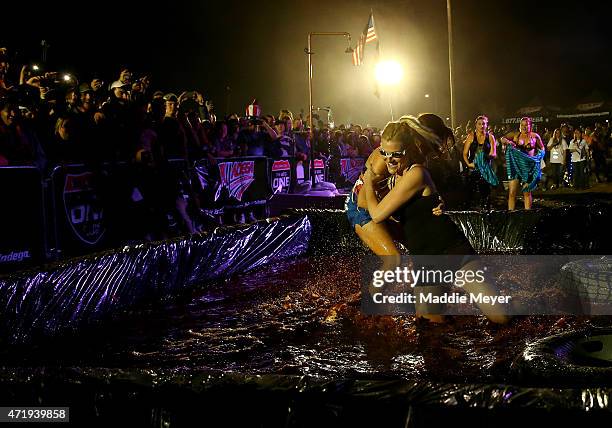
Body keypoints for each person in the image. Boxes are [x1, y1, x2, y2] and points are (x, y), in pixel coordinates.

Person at [362, 115, 509, 324]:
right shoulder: (396, 177)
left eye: (396, 154)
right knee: (430, 331)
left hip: (452, 251)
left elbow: (376, 214)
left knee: (501, 318)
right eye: (385, 153)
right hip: (427, 262)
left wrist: (368, 181)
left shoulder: (417, 173)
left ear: (410, 149)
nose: (389, 159)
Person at [500, 117, 545, 210]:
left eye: (526, 125)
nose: (524, 127)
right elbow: (502, 138)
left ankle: (527, 214)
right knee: (512, 192)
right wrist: (508, 142)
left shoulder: (535, 136)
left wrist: (540, 156)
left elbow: (542, 148)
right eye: (522, 125)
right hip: (516, 166)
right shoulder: (515, 135)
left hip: (528, 168)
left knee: (527, 192)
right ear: (519, 126)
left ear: (530, 126)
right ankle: (511, 215)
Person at [462, 115, 498, 209]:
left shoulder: (490, 137)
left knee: (485, 193)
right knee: (471, 191)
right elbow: (465, 153)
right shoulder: (471, 136)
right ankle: (470, 211)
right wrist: (469, 164)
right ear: (476, 125)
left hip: (485, 168)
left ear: (486, 125)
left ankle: (485, 212)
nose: (482, 126)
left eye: (484, 124)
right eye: (479, 124)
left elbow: (493, 153)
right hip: (472, 167)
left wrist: (484, 158)